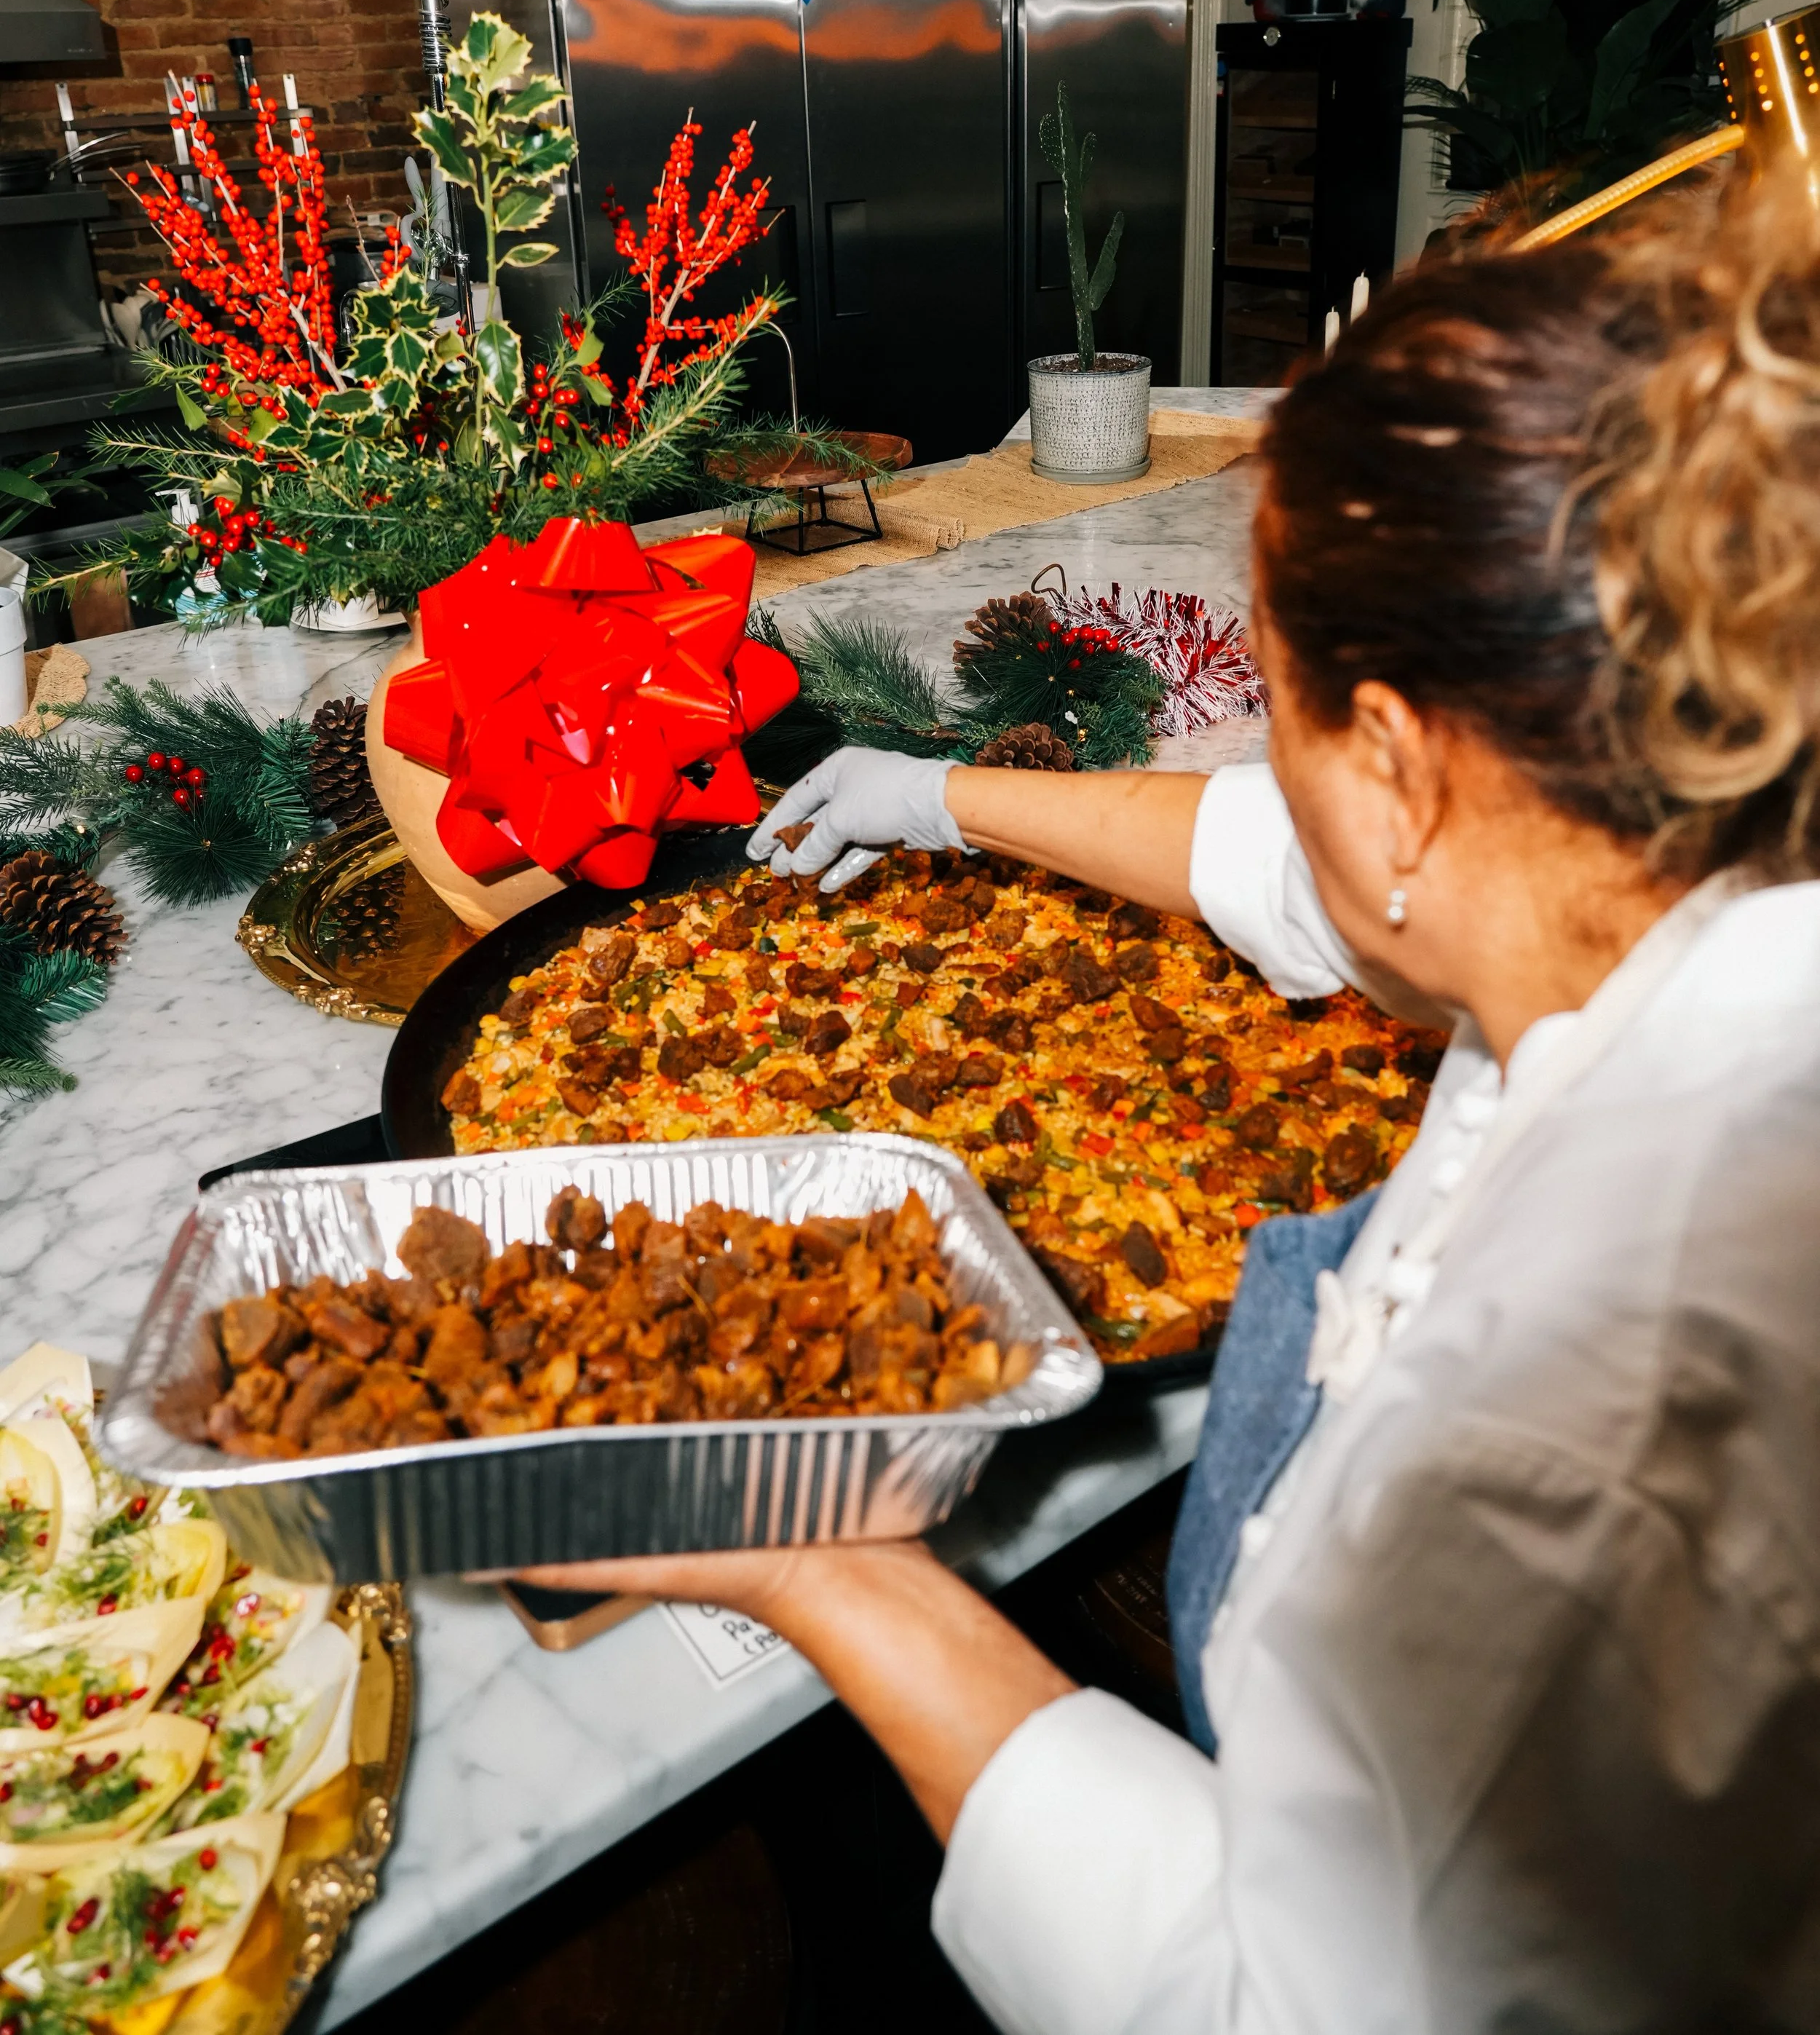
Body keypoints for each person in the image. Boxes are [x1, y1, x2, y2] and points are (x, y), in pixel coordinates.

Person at [510, 167, 1820, 2031]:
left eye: (1274, 697)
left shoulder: (1570, 1465)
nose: (1262, 763)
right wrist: (934, 790)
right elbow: (1294, 870)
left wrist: (825, 1571)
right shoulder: (1660, 856)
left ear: (1399, 765)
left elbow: (1255, 2001)